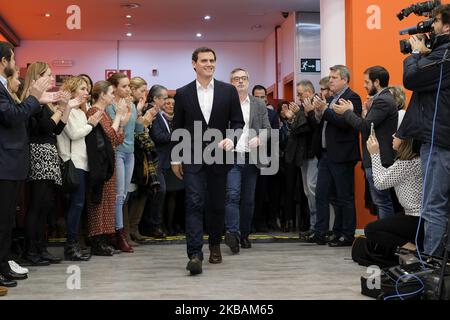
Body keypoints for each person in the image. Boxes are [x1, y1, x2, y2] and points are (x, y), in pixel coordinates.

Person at [171, 47, 244, 275]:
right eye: (204, 60)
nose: (209, 64)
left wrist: (231, 139)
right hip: (192, 157)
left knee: (216, 205)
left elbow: (238, 123)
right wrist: (175, 158)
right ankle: (194, 254)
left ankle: (214, 244)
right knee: (193, 203)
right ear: (194, 64)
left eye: (212, 60)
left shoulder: (228, 91)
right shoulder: (183, 93)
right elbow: (177, 129)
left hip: (219, 157)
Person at [397, 4, 450, 257]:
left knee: (433, 207)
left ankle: (431, 265)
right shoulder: (441, 53)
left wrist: (417, 54)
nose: (432, 25)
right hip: (437, 139)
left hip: (440, 141)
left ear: (447, 26)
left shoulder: (446, 54)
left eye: (436, 21)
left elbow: (412, 79)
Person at [0, 41, 54, 288]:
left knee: (8, 219)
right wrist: (33, 97)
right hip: (5, 162)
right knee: (3, 220)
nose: (15, 65)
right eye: (12, 60)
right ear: (4, 63)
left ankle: (3, 266)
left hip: (11, 162)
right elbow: (13, 116)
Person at [21, 62, 73, 266]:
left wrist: (65, 108)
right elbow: (45, 126)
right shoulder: (32, 100)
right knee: (36, 205)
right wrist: (60, 108)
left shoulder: (44, 102)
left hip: (49, 153)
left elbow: (57, 129)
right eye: (48, 75)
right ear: (36, 77)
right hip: (38, 153)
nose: (52, 79)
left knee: (46, 206)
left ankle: (41, 248)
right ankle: (31, 251)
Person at [333, 66, 398, 220]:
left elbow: (365, 126)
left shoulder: (382, 100)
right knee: (380, 202)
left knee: (382, 202)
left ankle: (386, 239)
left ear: (376, 82)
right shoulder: (382, 99)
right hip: (377, 159)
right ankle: (384, 238)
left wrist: (347, 112)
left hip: (380, 159)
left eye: (367, 82)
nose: (364, 85)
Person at [310, 65, 362, 246]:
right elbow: (320, 123)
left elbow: (345, 123)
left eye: (334, 77)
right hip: (325, 154)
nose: (330, 80)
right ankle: (321, 232)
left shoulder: (352, 97)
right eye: (330, 77)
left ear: (344, 79)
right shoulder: (331, 98)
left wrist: (325, 110)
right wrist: (317, 112)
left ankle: (347, 235)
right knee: (322, 194)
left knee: (344, 197)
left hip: (342, 155)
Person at [224, 68, 271, 254]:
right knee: (232, 195)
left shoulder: (258, 104)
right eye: (236, 79)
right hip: (232, 155)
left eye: (244, 78)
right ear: (231, 82)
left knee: (248, 200)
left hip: (251, 157)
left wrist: (260, 138)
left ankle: (244, 234)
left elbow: (267, 128)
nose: (241, 81)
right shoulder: (225, 102)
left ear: (249, 81)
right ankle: (233, 234)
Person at [57, 76, 101, 261]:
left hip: (82, 163)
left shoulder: (80, 112)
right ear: (73, 90)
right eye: (82, 89)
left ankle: (75, 243)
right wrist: (91, 124)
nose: (86, 92)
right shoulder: (67, 110)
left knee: (79, 205)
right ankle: (71, 245)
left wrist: (88, 122)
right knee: (75, 205)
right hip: (72, 162)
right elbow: (74, 134)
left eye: (87, 89)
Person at [86, 81, 128, 256]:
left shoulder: (104, 114)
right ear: (102, 94)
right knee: (99, 202)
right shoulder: (94, 112)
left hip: (109, 162)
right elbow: (111, 134)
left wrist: (121, 121)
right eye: (111, 92)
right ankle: (97, 240)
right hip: (100, 163)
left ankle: (104, 238)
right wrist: (118, 116)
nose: (113, 95)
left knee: (109, 201)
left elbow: (118, 139)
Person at [106, 73, 146, 253]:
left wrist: (143, 114)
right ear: (114, 88)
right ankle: (118, 234)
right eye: (124, 86)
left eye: (129, 86)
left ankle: (120, 232)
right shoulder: (111, 106)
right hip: (117, 152)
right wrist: (126, 113)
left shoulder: (129, 104)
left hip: (130, 153)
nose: (128, 89)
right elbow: (116, 130)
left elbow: (137, 129)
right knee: (118, 195)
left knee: (124, 195)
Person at [365, 131, 423, 253]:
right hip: (415, 216)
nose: (392, 136)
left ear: (405, 140)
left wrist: (375, 154)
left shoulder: (406, 163)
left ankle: (416, 251)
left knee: (371, 230)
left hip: (415, 218)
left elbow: (380, 183)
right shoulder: (413, 160)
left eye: (397, 135)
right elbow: (384, 177)